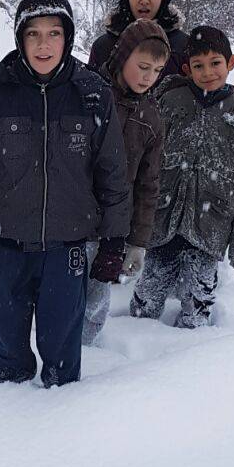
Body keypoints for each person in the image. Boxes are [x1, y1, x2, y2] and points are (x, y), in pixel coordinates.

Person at [0, 0, 131, 387]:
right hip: (7, 246)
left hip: (67, 251)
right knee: (9, 352)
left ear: (67, 36)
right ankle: (4, 424)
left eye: (54, 33)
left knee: (63, 357)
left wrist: (115, 240)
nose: (43, 44)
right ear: (20, 37)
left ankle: (59, 431)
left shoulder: (93, 95)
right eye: (33, 33)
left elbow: (112, 174)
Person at [130, 24, 234, 329]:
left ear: (231, 63)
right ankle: (132, 341)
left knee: (197, 297)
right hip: (163, 220)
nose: (208, 73)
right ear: (187, 69)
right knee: (150, 288)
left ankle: (193, 356)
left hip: (210, 227)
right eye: (199, 66)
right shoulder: (170, 103)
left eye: (216, 63)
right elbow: (145, 163)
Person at [83, 19, 169, 345]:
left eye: (157, 70)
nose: (149, 77)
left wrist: (139, 242)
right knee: (58, 293)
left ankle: (86, 353)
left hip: (110, 229)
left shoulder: (152, 119)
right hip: (70, 220)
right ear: (122, 58)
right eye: (143, 66)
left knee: (95, 299)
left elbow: (149, 185)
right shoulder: (89, 94)